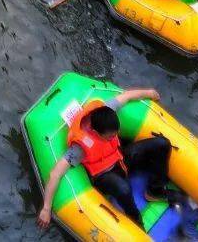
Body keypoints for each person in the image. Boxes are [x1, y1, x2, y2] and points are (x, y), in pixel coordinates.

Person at [37, 89, 177, 229]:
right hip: (104, 176)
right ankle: (136, 221)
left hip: (120, 158)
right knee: (123, 188)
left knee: (162, 144)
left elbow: (126, 96)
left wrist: (149, 93)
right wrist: (46, 209)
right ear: (95, 132)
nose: (113, 137)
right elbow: (55, 173)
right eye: (110, 136)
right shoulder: (79, 148)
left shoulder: (106, 111)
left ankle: (154, 191)